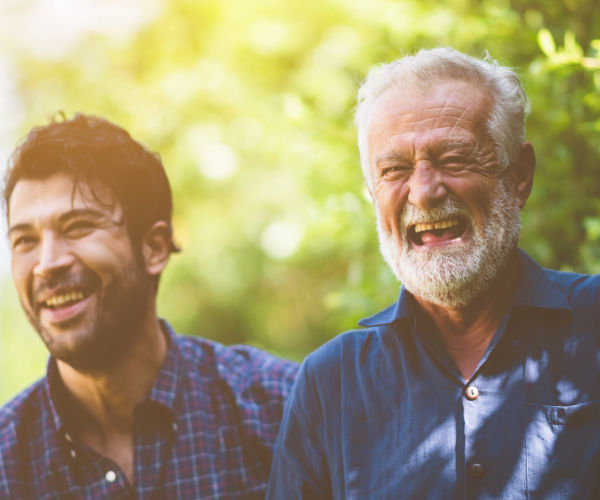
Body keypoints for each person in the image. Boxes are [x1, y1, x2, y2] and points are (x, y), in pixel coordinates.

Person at [267, 47, 600, 499]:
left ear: (519, 175)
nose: (423, 193)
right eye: (395, 170)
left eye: (454, 159)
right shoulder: (331, 382)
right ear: (371, 193)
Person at [0, 113, 298, 499]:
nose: (47, 263)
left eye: (77, 227)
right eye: (25, 240)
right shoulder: (7, 465)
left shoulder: (284, 412)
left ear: (154, 248)